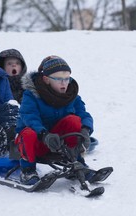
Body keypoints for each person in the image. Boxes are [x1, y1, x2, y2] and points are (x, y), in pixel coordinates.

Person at [14, 56, 93, 185]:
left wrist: (85, 130)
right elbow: (29, 117)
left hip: (59, 144)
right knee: (29, 133)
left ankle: (77, 162)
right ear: (46, 79)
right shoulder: (31, 95)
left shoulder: (71, 95)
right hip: (36, 142)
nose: (64, 83)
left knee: (74, 120)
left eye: (67, 79)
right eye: (59, 79)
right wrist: (44, 135)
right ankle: (28, 170)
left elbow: (83, 114)